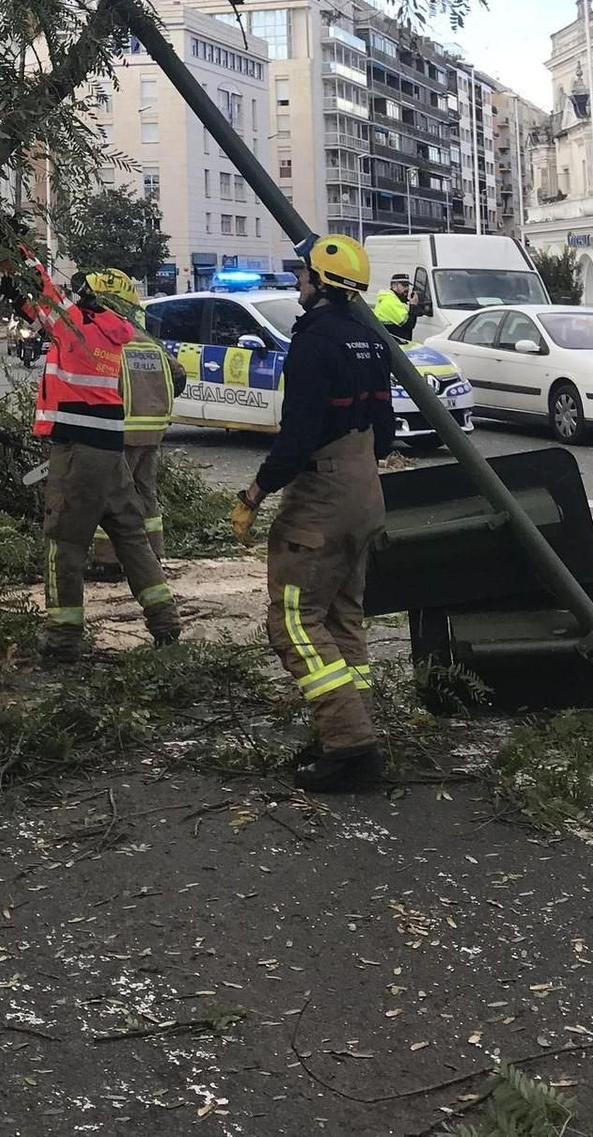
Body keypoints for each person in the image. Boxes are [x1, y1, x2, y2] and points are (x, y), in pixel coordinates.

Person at [230, 235, 395, 793]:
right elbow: (388, 429)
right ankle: (344, 731)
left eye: (304, 275)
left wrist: (254, 493)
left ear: (322, 283)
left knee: (294, 622)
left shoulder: (313, 341)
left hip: (322, 497)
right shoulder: (371, 340)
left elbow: (296, 437)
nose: (298, 282)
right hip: (365, 488)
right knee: (342, 618)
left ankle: (350, 744)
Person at [5, 244, 179, 663]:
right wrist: (18, 291)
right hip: (109, 450)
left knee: (63, 541)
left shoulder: (74, 326)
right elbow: (36, 308)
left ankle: (63, 635)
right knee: (131, 536)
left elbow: (43, 294)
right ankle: (165, 620)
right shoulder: (110, 328)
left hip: (77, 450)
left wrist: (16, 251)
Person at [75, 268, 185, 576]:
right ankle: (153, 555)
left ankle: (110, 561)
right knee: (145, 494)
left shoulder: (108, 339)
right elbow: (178, 376)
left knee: (110, 497)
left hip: (118, 430)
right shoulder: (147, 340)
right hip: (152, 428)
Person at [372, 272, 424, 344]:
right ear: (394, 286)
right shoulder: (390, 301)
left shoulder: (394, 299)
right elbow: (409, 324)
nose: (407, 288)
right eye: (404, 285)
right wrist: (413, 305)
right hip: (395, 345)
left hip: (391, 343)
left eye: (408, 286)